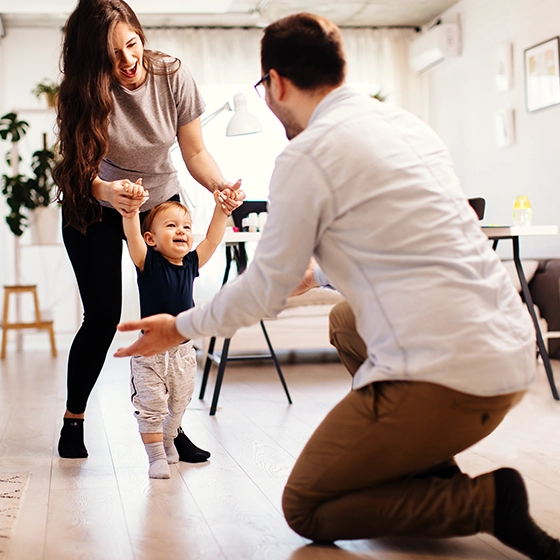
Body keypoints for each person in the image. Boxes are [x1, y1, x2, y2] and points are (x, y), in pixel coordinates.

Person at [113, 12, 560, 559]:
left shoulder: (304, 156)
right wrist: (320, 272)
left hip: (451, 375)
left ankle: (484, 502)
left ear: (275, 83)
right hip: (514, 356)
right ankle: (426, 463)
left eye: (264, 89)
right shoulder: (404, 126)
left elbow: (261, 292)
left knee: (306, 506)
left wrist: (178, 326)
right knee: (344, 319)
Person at [53, 0, 243, 461]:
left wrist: (220, 187)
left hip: (158, 199)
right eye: (111, 55)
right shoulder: (80, 91)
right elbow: (75, 170)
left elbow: (195, 152)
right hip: (94, 201)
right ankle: (73, 422)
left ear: (141, 36)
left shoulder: (172, 75)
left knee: (172, 312)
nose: (127, 61)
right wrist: (106, 191)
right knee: (101, 315)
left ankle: (172, 429)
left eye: (132, 45)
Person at [122, 183, 230, 477]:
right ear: (151, 239)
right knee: (152, 406)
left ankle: (169, 441)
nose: (181, 231)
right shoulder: (148, 262)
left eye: (186, 226)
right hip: (151, 354)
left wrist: (221, 210)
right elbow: (132, 235)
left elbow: (212, 239)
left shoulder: (191, 263)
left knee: (179, 405)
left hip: (183, 353)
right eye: (171, 226)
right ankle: (155, 456)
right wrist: (131, 211)